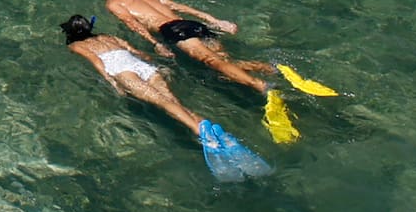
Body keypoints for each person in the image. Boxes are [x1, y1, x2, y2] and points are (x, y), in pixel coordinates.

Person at [61, 15, 271, 180]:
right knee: (174, 103)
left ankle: (199, 130)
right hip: (141, 66)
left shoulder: (75, 46)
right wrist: (157, 66)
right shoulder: (108, 37)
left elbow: (97, 62)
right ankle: (207, 126)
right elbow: (138, 53)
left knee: (163, 104)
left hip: (121, 70)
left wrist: (112, 82)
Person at [87, 0, 280, 96]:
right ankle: (269, 68)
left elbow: (132, 24)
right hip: (190, 24)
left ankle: (260, 86)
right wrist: (214, 20)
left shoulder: (113, 3)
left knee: (214, 63)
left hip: (173, 30)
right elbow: (178, 6)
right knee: (224, 64)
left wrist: (155, 43)